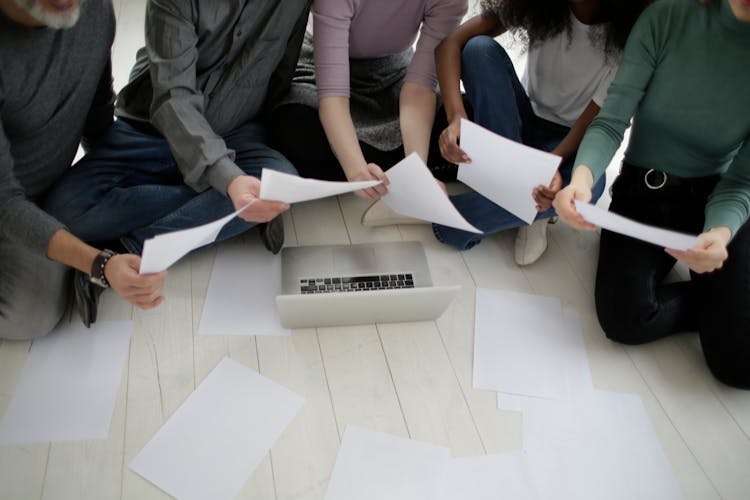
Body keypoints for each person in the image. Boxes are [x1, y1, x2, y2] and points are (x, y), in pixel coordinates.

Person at [42, 0, 312, 325]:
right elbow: (172, 98)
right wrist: (228, 179)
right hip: (152, 128)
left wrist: (253, 154)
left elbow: (281, 74)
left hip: (235, 132)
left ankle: (124, 248)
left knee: (281, 178)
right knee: (64, 211)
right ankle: (231, 209)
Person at [553, 0, 750, 388]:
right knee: (625, 318)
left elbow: (741, 183)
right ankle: (718, 303)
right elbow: (610, 123)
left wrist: (720, 235)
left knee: (738, 365)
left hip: (716, 198)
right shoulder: (668, 15)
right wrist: (580, 180)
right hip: (643, 190)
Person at [432, 0, 650, 265]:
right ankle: (527, 204)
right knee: (479, 49)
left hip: (568, 140)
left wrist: (548, 167)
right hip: (517, 122)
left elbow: (591, 125)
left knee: (592, 185)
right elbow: (451, 44)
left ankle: (465, 212)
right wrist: (456, 117)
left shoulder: (631, 37)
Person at [0, 0, 167, 340]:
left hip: (54, 184)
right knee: (33, 314)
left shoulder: (92, 10)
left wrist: (119, 168)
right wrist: (100, 264)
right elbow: (5, 203)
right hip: (10, 206)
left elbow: (98, 113)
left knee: (182, 152)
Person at [269, 0, 467, 220]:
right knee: (291, 129)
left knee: (465, 130)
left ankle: (389, 171)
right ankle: (388, 171)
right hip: (319, 70)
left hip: (393, 74)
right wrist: (355, 171)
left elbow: (419, 90)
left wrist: (416, 169)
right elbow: (333, 97)